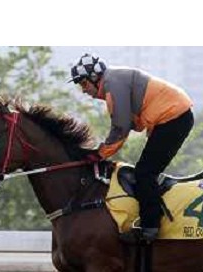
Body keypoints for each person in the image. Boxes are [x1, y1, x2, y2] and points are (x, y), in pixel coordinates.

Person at [68, 53, 194, 243]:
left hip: (173, 118)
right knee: (146, 171)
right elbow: (127, 125)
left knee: (144, 173)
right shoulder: (112, 81)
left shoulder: (113, 84)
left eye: (84, 84)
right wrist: (101, 152)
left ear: (95, 77)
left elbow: (121, 127)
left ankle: (150, 228)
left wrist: (99, 154)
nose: (84, 90)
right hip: (171, 118)